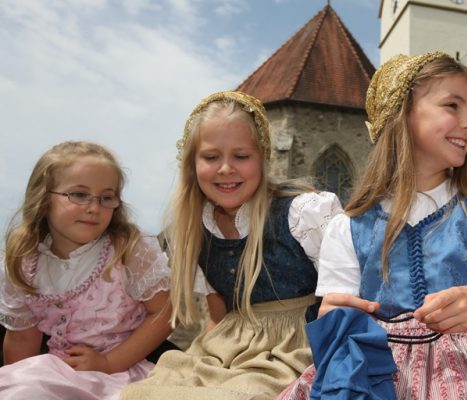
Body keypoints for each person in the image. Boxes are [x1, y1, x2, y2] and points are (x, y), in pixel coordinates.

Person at [279, 51, 467, 400]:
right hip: (373, 378)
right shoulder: (348, 227)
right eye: (453, 106)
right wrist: (334, 315)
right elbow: (336, 325)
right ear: (401, 114)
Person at [121, 91, 342, 400]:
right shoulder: (195, 231)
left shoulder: (302, 214)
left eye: (241, 156)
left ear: (263, 159)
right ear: (192, 164)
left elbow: (347, 294)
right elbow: (219, 317)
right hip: (231, 346)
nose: (226, 168)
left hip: (295, 346)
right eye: (211, 157)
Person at [0, 141, 172, 399]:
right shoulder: (24, 262)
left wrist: (109, 364)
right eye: (79, 195)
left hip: (125, 369)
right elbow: (22, 340)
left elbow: (165, 313)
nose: (94, 207)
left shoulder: (126, 250)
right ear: (44, 199)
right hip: (58, 373)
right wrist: (14, 383)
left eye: (106, 197)